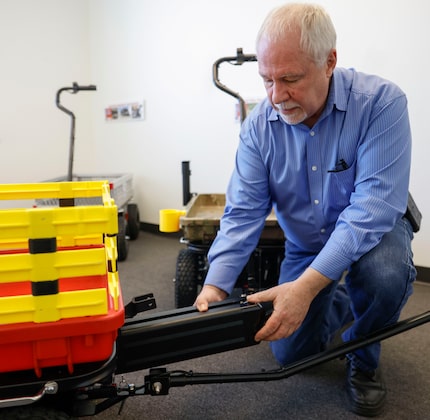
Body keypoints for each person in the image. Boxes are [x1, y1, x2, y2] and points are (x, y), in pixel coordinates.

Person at [195, 2, 417, 417]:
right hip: (307, 240)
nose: (277, 96)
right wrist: (215, 286)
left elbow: (370, 208)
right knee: (293, 354)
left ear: (329, 61)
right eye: (267, 80)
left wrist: (306, 286)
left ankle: (364, 359)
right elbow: (243, 211)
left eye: (290, 79)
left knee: (383, 276)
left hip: (376, 232)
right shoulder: (259, 127)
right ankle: (345, 302)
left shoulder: (382, 103)